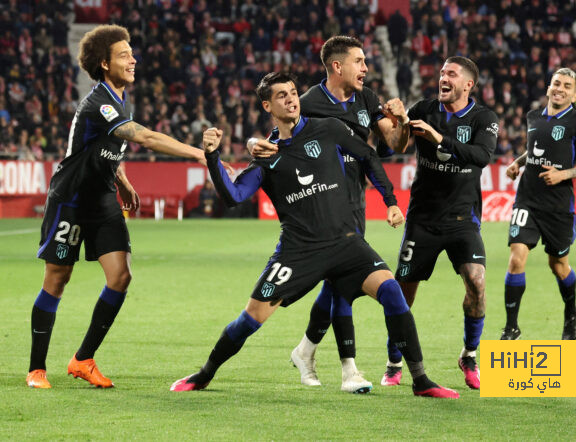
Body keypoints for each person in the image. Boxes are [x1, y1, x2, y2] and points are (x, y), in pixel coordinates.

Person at [170, 72, 458, 399]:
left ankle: (420, 380)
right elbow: (233, 196)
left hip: (346, 243)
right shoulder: (267, 156)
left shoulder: (329, 129)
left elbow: (368, 157)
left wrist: (390, 201)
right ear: (267, 105)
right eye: (282, 96)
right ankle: (205, 374)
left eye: (293, 93)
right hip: (299, 252)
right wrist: (211, 157)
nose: (291, 99)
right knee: (251, 318)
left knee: (392, 292)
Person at [26, 25, 207, 389]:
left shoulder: (118, 99)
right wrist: (198, 154)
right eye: (124, 55)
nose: (133, 59)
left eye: (131, 53)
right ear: (104, 63)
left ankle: (83, 359)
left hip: (103, 198)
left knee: (120, 276)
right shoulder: (99, 103)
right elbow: (143, 137)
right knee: (57, 280)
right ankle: (36, 368)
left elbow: (105, 148)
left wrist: (121, 179)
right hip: (72, 199)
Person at [249, 36, 411, 393]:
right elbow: (277, 139)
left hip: (354, 201)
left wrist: (403, 121)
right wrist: (251, 144)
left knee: (339, 284)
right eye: (359, 61)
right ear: (337, 66)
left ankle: (306, 349)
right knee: (341, 284)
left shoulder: (367, 99)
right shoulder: (306, 102)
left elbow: (393, 147)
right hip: (324, 203)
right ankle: (349, 370)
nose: (366, 68)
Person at [383, 56, 499, 390]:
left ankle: (469, 354)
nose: (443, 78)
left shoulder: (484, 118)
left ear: (468, 84)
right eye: (442, 73)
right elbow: (398, 145)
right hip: (423, 220)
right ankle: (394, 361)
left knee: (477, 284)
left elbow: (481, 156)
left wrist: (438, 138)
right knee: (402, 296)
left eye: (452, 74)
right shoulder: (423, 108)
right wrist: (401, 121)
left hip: (464, 220)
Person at [500, 67, 576, 341]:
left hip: (557, 206)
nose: (560, 88)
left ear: (574, 94)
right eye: (556, 83)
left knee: (558, 265)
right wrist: (517, 163)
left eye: (567, 86)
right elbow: (535, 147)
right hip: (527, 200)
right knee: (516, 256)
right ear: (548, 88)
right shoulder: (534, 116)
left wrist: (564, 174)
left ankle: (571, 312)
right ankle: (511, 327)